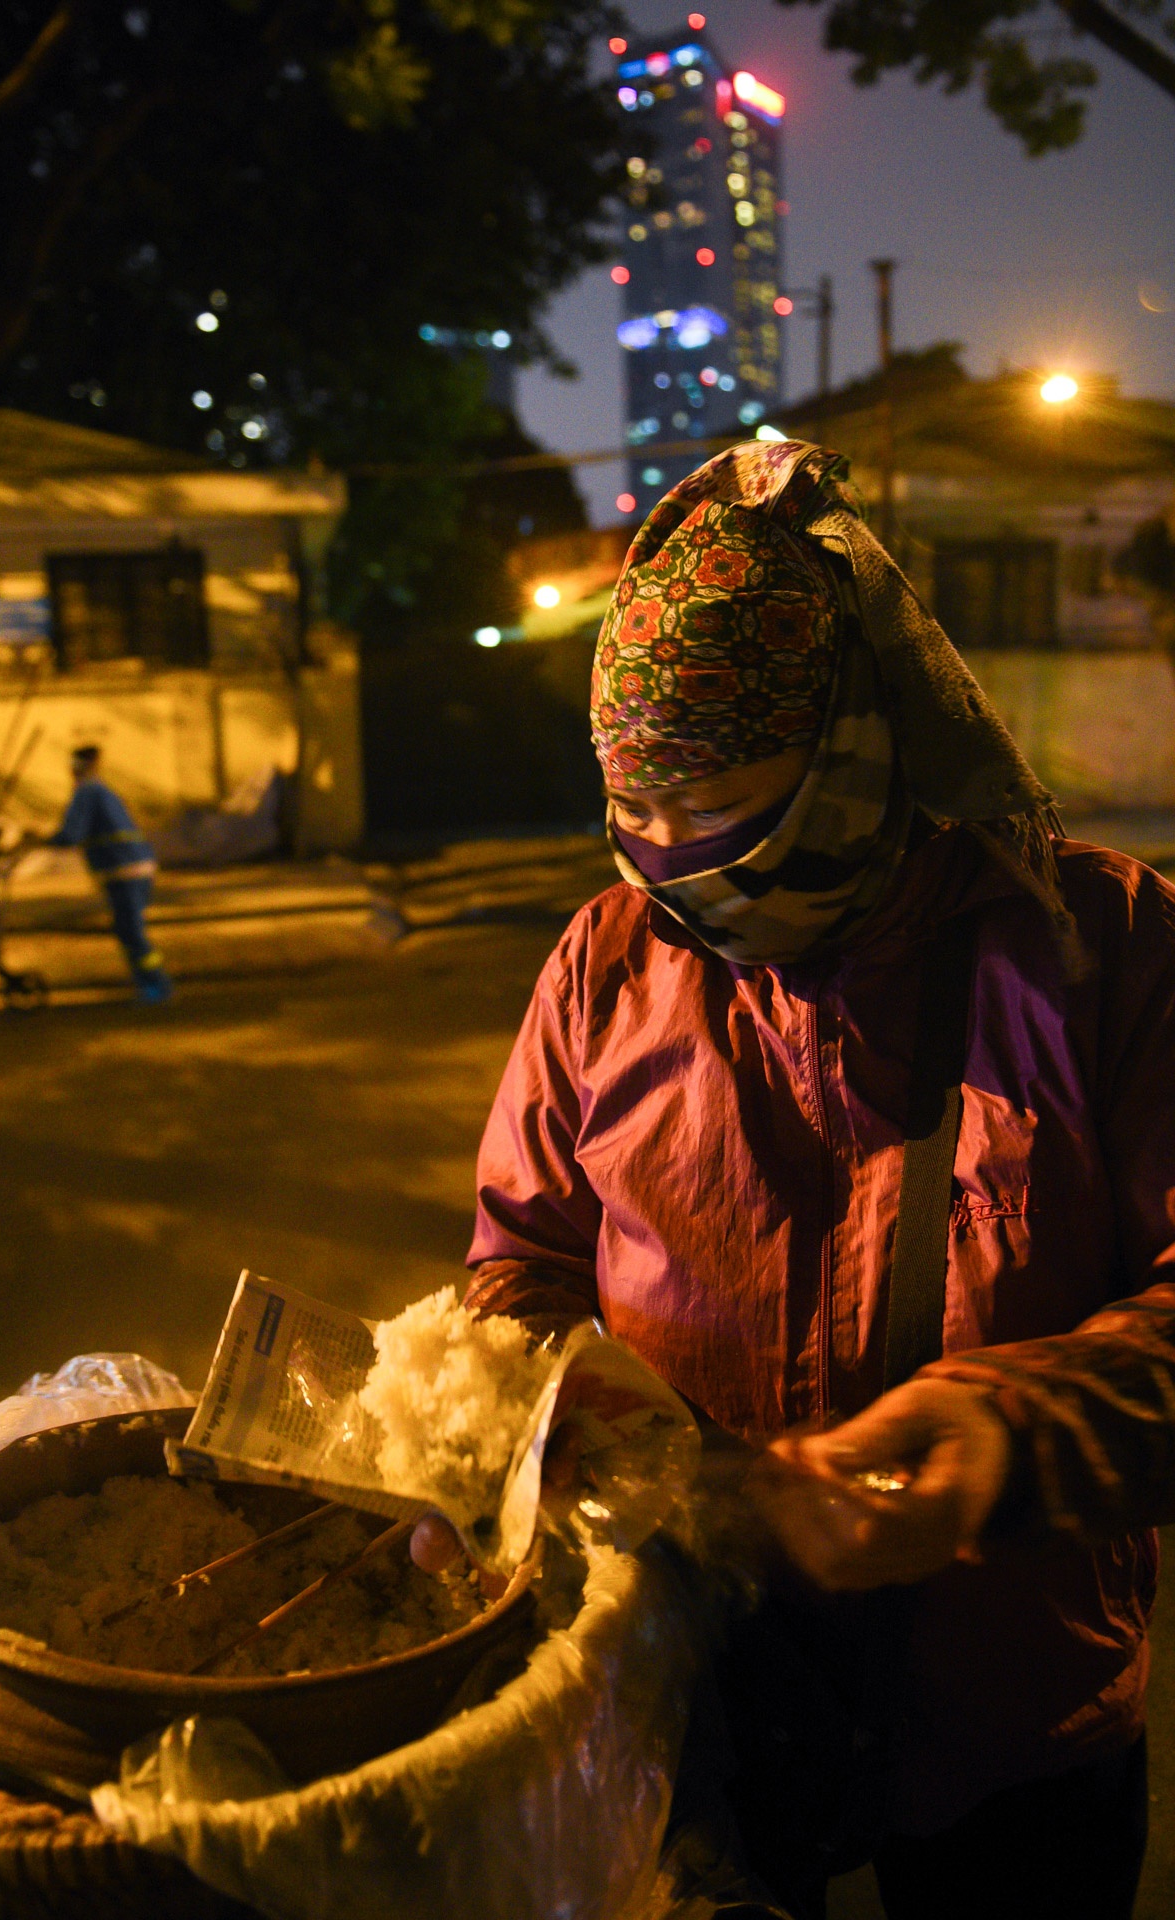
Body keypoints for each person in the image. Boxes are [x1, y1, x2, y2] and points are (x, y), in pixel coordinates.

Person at [458, 441, 1175, 1918]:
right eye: (634, 815)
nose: (674, 869)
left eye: (724, 814)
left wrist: (1011, 1433)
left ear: (856, 743)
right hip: (685, 1699)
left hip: (1016, 1709)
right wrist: (543, 1397)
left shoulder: (1107, 949)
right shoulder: (603, 962)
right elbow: (519, 1256)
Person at [48, 745, 172, 1003]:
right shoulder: (101, 790)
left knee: (131, 932)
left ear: (75, 768)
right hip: (132, 866)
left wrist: (41, 840)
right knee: (129, 931)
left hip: (124, 868)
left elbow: (72, 834)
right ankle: (152, 984)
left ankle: (156, 986)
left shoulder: (87, 793)